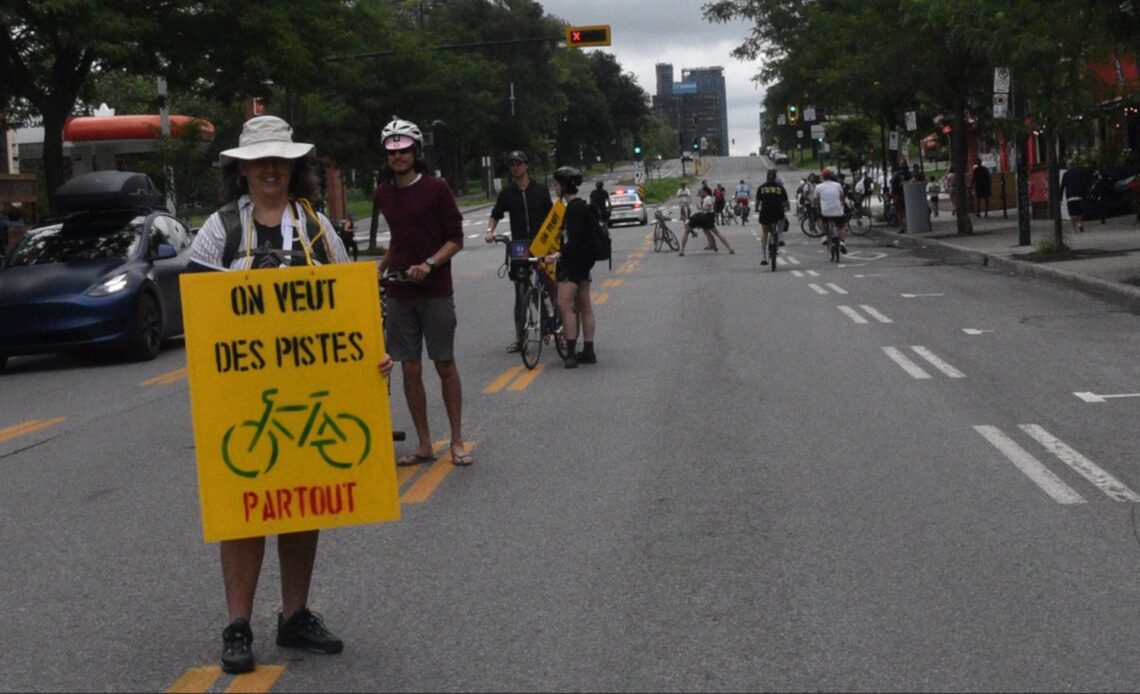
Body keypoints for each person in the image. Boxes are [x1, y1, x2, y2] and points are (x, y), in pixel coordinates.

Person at [187, 115, 388, 675]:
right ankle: (238, 624)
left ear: (293, 167)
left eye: (280, 160)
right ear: (243, 169)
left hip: (313, 388)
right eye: (259, 161)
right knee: (243, 510)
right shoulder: (218, 230)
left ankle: (295, 615)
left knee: (303, 502)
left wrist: (375, 353)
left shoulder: (319, 229)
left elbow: (353, 304)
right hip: (241, 395)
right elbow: (198, 315)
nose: (270, 169)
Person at [373, 117, 473, 468]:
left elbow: (456, 238)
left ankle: (457, 440)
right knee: (409, 367)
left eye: (404, 151)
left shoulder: (436, 188)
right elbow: (399, 239)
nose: (398, 157)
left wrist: (430, 263)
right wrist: (381, 267)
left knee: (444, 362)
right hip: (400, 291)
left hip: (434, 290)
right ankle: (425, 443)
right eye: (392, 152)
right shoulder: (383, 193)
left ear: (416, 151)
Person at [484, 150, 553, 353]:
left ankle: (553, 321)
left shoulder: (540, 189)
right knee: (520, 291)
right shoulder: (507, 193)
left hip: (540, 244)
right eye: (512, 165)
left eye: (519, 164)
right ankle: (520, 338)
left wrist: (555, 240)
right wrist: (490, 231)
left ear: (526, 166)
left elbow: (551, 216)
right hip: (520, 246)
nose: (515, 168)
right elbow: (496, 214)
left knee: (549, 283)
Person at [545, 167, 597, 368]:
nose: (555, 188)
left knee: (564, 304)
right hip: (584, 263)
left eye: (556, 184)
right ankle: (589, 350)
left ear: (564, 186)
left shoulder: (573, 209)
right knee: (585, 305)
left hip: (572, 264)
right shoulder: (581, 206)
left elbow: (573, 240)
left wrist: (558, 254)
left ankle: (571, 353)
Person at [680, 191, 735, 257]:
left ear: (704, 192)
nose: (700, 196)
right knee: (709, 231)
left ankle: (682, 251)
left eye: (700, 194)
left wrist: (701, 208)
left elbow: (709, 208)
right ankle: (728, 248)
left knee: (686, 231)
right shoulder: (706, 199)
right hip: (707, 218)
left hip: (702, 217)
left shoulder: (708, 198)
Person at [755, 168, 789, 265]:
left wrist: (757, 208)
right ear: (775, 178)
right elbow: (786, 203)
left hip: (765, 212)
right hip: (778, 212)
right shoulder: (780, 188)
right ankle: (781, 236)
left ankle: (763, 256)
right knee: (781, 221)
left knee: (765, 231)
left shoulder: (761, 188)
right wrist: (787, 208)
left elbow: (757, 202)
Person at [813, 167, 848, 253]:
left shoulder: (818, 187)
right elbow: (842, 197)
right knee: (841, 226)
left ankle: (824, 235)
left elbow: (815, 199)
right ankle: (842, 241)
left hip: (826, 213)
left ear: (822, 177)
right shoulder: (837, 185)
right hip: (838, 212)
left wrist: (815, 204)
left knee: (821, 220)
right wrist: (842, 203)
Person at [1059, 159, 1090, 233]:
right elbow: (1083, 184)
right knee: (1079, 211)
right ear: (1075, 165)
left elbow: (1063, 186)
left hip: (1070, 196)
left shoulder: (1065, 174)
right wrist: (1085, 194)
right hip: (1079, 194)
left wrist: (1060, 198)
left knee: (1071, 213)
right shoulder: (1079, 173)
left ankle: (1074, 228)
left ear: (1068, 165)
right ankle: (1080, 223)